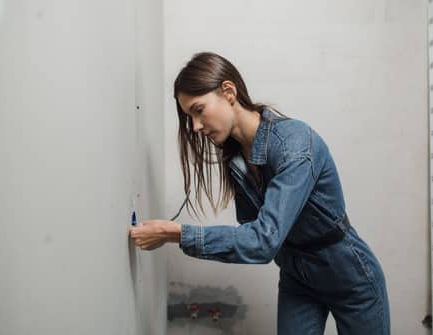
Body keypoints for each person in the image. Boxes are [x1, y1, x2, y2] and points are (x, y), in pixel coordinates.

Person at [129, 51, 391, 335]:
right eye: (189, 116)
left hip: (349, 275)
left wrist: (176, 233)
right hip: (297, 278)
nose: (195, 126)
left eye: (199, 109)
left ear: (228, 92)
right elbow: (253, 231)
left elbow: (262, 241)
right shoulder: (237, 160)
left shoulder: (295, 143)